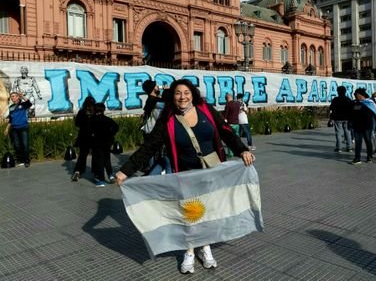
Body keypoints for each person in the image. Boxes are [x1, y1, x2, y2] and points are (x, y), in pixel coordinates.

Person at [115, 79, 255, 274]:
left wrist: (242, 150)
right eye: (178, 93)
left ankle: (205, 247)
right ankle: (189, 250)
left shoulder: (205, 109)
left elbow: (226, 131)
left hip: (211, 171)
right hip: (185, 174)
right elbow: (149, 147)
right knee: (190, 212)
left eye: (186, 92)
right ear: (172, 97)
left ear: (193, 93)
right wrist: (125, 171)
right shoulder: (168, 118)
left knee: (209, 210)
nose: (183, 97)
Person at [91, 102, 119, 187]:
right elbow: (116, 127)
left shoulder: (92, 120)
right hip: (107, 143)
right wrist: (111, 134)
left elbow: (88, 132)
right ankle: (110, 175)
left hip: (97, 143)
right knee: (107, 158)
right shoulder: (108, 119)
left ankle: (101, 180)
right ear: (103, 110)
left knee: (99, 161)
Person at [350, 88, 376, 165]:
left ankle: (369, 157)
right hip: (357, 126)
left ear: (361, 95)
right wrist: (350, 123)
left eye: (356, 94)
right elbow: (351, 114)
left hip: (367, 126)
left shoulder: (370, 103)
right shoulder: (354, 103)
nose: (355, 96)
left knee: (368, 141)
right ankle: (357, 158)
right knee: (358, 142)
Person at [4, 91, 32, 167]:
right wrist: (7, 129)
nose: (13, 98)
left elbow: (29, 104)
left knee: (25, 145)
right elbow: (11, 119)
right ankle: (21, 160)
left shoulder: (23, 105)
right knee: (17, 145)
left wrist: (22, 96)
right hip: (14, 129)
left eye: (14, 96)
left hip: (23, 127)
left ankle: (27, 161)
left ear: (18, 97)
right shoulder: (11, 107)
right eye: (11, 96)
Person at [71, 96, 96, 181]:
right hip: (93, 137)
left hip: (84, 136)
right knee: (95, 155)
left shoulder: (81, 112)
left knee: (82, 155)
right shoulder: (94, 112)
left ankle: (78, 171)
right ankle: (95, 172)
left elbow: (77, 123)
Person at [329, 85, 353, 153]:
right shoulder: (348, 99)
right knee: (347, 132)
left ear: (338, 92)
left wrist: (331, 118)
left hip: (337, 118)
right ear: (345, 91)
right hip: (347, 118)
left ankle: (339, 147)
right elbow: (351, 109)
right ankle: (349, 147)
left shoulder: (335, 99)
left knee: (338, 133)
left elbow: (331, 108)